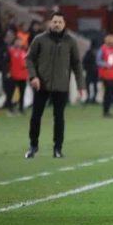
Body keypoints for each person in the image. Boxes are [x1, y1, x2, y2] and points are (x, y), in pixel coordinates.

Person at [24, 12, 85, 159]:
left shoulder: (70, 41)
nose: (57, 24)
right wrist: (33, 77)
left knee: (59, 118)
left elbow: (77, 64)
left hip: (61, 85)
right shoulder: (39, 39)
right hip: (41, 85)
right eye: (54, 21)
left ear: (64, 24)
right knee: (35, 116)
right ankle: (33, 146)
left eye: (60, 22)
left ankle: (58, 148)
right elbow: (29, 59)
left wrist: (80, 86)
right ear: (50, 23)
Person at [97, 34, 113, 118]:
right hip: (106, 75)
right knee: (107, 93)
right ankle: (106, 111)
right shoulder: (103, 49)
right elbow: (98, 61)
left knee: (110, 93)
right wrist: (105, 65)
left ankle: (108, 111)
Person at [7, 36, 28, 115]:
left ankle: (21, 109)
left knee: (22, 93)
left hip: (23, 75)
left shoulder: (24, 52)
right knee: (11, 93)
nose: (19, 43)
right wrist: (8, 71)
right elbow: (8, 62)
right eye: (17, 41)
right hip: (14, 75)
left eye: (20, 41)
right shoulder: (11, 51)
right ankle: (10, 109)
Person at [82, 40, 99, 104]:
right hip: (95, 72)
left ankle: (89, 97)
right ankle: (94, 98)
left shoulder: (88, 52)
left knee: (88, 85)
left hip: (89, 71)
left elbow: (84, 62)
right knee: (95, 85)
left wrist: (86, 69)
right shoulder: (97, 52)